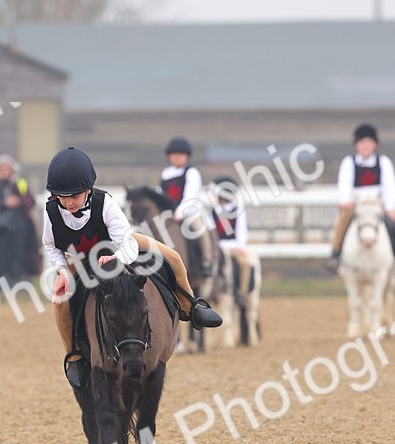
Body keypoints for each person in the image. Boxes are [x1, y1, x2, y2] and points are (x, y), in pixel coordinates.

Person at [43, 147, 222, 390]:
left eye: (73, 196)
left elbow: (127, 244)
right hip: (79, 257)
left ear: (88, 190)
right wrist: (62, 271)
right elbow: (51, 245)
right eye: (61, 196)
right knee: (60, 301)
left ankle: (193, 307)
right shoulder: (51, 210)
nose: (68, 202)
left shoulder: (104, 203)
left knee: (173, 256)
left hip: (120, 244)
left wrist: (116, 258)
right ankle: (73, 354)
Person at [325, 124, 395, 282]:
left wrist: (390, 208)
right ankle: (335, 254)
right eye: (362, 143)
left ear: (375, 145)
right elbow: (344, 183)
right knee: (342, 221)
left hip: (378, 204)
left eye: (369, 143)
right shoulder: (349, 162)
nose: (365, 146)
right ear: (356, 145)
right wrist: (346, 201)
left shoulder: (383, 162)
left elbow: (389, 186)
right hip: (356, 204)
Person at [160, 136, 217, 278]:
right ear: (169, 156)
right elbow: (161, 194)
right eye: (174, 155)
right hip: (169, 214)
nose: (177, 158)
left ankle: (206, 261)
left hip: (189, 212)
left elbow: (190, 197)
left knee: (199, 229)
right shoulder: (165, 174)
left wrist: (179, 213)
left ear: (187, 156)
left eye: (181, 155)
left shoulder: (192, 173)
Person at [0, 154, 40, 285]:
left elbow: (31, 201)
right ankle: (0, 282)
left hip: (19, 229)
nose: (5, 172)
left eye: (8, 169)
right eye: (2, 169)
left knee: (18, 255)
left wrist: (18, 201)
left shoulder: (20, 183)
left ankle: (17, 280)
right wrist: (3, 203)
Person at [211, 175, 253, 306]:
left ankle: (241, 291)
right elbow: (211, 231)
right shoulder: (213, 212)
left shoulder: (238, 211)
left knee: (244, 263)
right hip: (219, 248)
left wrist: (240, 247)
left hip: (233, 246)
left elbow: (241, 231)